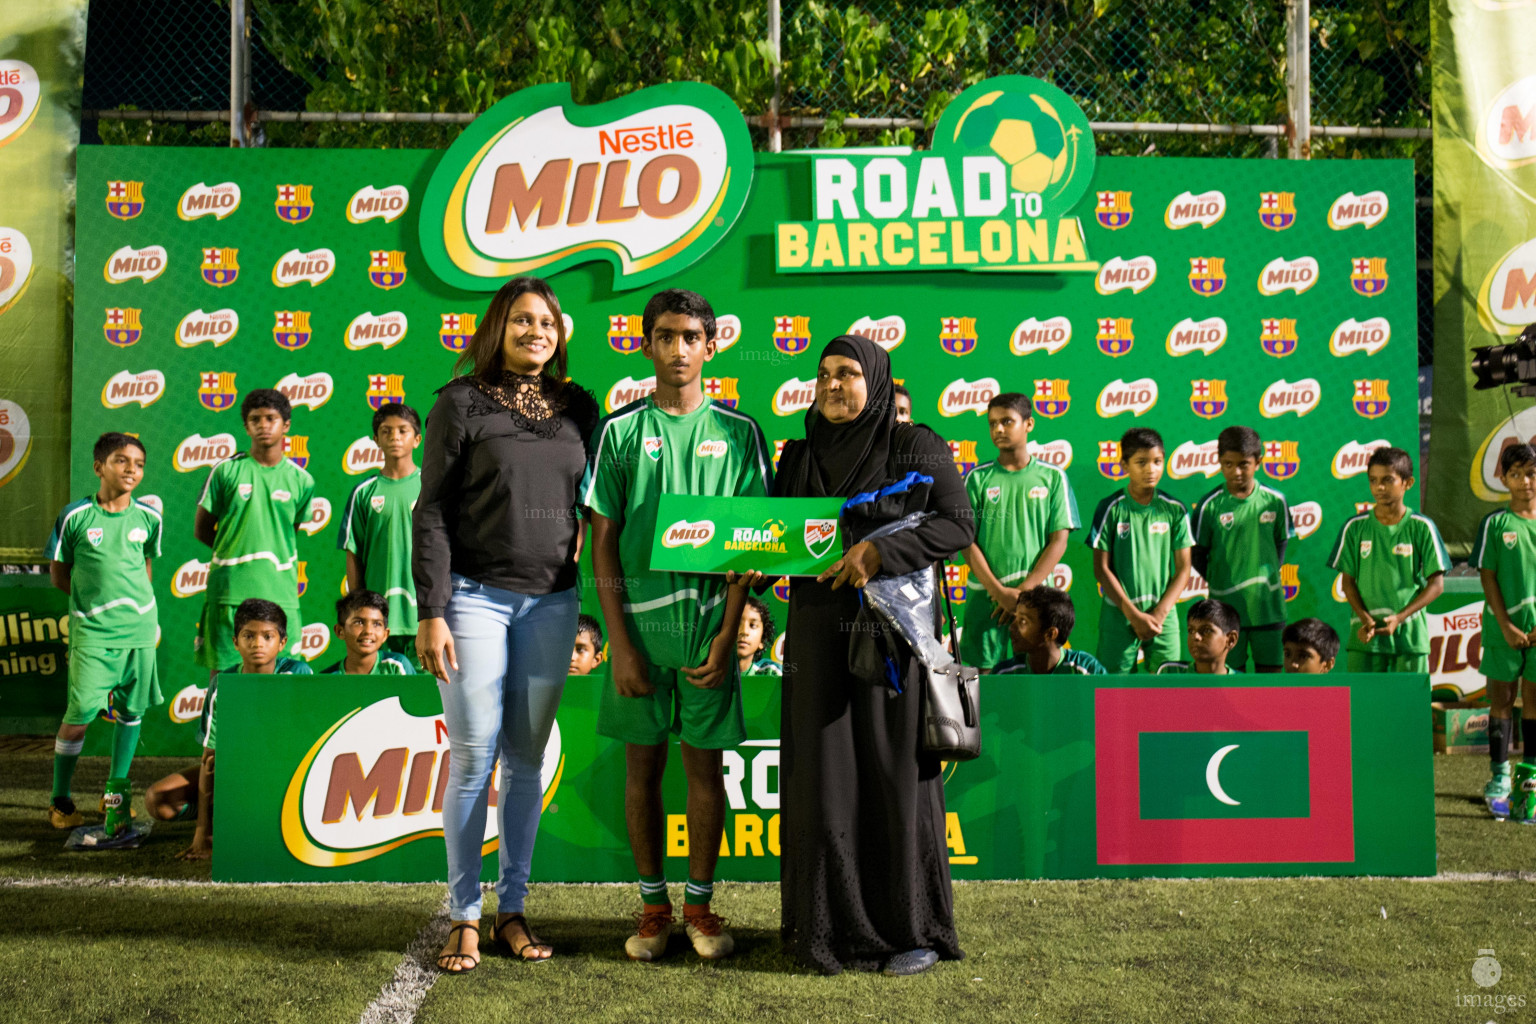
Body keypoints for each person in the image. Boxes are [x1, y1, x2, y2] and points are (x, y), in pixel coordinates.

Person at [774, 333, 974, 976]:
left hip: (894, 636)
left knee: (895, 779)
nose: (834, 385)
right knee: (821, 782)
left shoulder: (916, 444)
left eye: (850, 374)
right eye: (825, 374)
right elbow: (770, 533)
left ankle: (909, 932)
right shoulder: (798, 453)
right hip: (815, 634)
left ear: (878, 381)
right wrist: (736, 558)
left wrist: (878, 553)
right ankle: (827, 931)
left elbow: (957, 524)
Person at [414, 276, 598, 973]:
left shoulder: (580, 406)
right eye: (522, 321)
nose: (536, 333)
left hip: (552, 601)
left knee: (526, 760)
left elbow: (601, 501)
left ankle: (512, 910)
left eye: (547, 323)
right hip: (472, 599)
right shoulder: (459, 403)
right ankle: (464, 916)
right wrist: (432, 610)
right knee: (472, 758)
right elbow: (429, 510)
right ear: (499, 326)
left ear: (560, 334)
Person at [586, 287, 771, 963]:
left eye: (691, 336)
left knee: (703, 771)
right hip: (638, 632)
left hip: (706, 632)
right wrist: (619, 644)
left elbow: (751, 543)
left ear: (711, 345)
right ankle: (652, 907)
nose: (678, 348)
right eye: (665, 336)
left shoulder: (741, 433)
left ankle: (699, 906)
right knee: (642, 770)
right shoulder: (619, 431)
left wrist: (727, 638)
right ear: (647, 345)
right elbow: (602, 541)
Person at [44, 432, 163, 829]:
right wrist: (91, 609)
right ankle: (61, 800)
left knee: (131, 712)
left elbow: (145, 569)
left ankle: (114, 795)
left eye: (139, 464)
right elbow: (60, 574)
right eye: (121, 460)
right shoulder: (75, 516)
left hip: (140, 633)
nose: (131, 469)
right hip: (93, 634)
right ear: (99, 467)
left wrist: (141, 614)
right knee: (78, 717)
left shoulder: (149, 517)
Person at [146, 599, 312, 858]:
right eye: (249, 636)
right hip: (237, 772)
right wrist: (204, 833)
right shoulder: (224, 684)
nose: (258, 643)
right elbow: (210, 759)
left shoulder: (297, 673)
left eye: (268, 636)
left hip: (285, 773)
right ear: (235, 642)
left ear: (282, 642)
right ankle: (226, 817)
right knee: (159, 801)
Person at [194, 389, 314, 675]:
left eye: (271, 418)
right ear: (246, 425)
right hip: (229, 592)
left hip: (280, 592)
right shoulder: (225, 472)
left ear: (286, 425)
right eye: (255, 419)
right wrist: (236, 552)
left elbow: (288, 531)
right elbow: (202, 529)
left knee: (281, 683)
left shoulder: (302, 480)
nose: (263, 425)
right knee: (223, 680)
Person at [960, 393, 1079, 671]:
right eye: (992, 424)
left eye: (1007, 421)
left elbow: (1059, 540)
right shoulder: (977, 478)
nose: (998, 429)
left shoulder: (1053, 477)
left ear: (1029, 424)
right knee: (986, 687)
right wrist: (998, 592)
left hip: (1036, 605)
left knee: (1033, 679)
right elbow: (967, 541)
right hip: (986, 600)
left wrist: (1023, 594)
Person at [1327, 446, 1448, 673]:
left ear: (1408, 483)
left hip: (1409, 638)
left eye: (1388, 480)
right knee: (1363, 706)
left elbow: (1437, 585)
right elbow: (1347, 583)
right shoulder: (1355, 527)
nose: (1379, 487)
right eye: (1373, 480)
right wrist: (1365, 618)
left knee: (1407, 707)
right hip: (1365, 636)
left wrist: (1400, 617)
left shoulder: (1422, 527)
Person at [1089, 428, 1193, 673]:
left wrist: (1160, 614)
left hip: (1163, 618)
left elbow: (1183, 569)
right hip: (1119, 615)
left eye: (1157, 462)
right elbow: (1101, 569)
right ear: (1124, 465)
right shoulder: (1110, 508)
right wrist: (1133, 615)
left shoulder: (1175, 509)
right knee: (1114, 690)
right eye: (1141, 462)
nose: (1150, 470)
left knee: (1167, 692)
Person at [1190, 426, 1292, 673]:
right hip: (1224, 614)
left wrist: (1265, 580)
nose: (1236, 472)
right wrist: (1222, 580)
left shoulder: (1275, 500)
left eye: (1244, 464)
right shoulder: (1209, 505)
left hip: (1268, 608)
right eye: (1228, 464)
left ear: (1258, 462)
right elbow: (1197, 554)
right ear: (1219, 462)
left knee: (1272, 684)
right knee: (1229, 687)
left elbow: (1281, 542)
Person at [1470, 443, 1536, 819]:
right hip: (1502, 630)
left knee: (1535, 701)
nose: (1524, 481)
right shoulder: (1495, 523)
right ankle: (1499, 777)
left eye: (1531, 473)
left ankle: (1530, 777)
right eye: (1516, 474)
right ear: (1502, 479)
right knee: (1502, 699)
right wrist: (1506, 625)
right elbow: (1488, 576)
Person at [340, 401, 422, 668]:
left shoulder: (433, 487)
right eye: (386, 431)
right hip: (378, 622)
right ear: (376, 439)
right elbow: (353, 552)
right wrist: (361, 610)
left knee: (427, 698)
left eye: (403, 431)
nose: (394, 437)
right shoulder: (364, 492)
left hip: (424, 615)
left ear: (417, 439)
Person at [993, 585, 1105, 675]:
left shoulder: (1087, 669)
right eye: (1015, 618)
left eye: (1023, 621)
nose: (1012, 627)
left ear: (1050, 634)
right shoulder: (1003, 674)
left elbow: (1114, 703)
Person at [324, 590, 414, 675]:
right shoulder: (328, 678)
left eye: (377, 624)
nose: (368, 631)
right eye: (359, 622)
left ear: (385, 634)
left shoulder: (397, 666)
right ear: (340, 631)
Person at [1156, 599, 1242, 674]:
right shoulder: (1171, 672)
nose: (1196, 636)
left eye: (1206, 631)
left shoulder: (1241, 683)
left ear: (1231, 640)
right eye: (1191, 630)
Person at [738, 595, 781, 677]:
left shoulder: (771, 672)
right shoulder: (708, 674)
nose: (744, 631)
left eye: (753, 625)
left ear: (762, 640)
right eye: (736, 624)